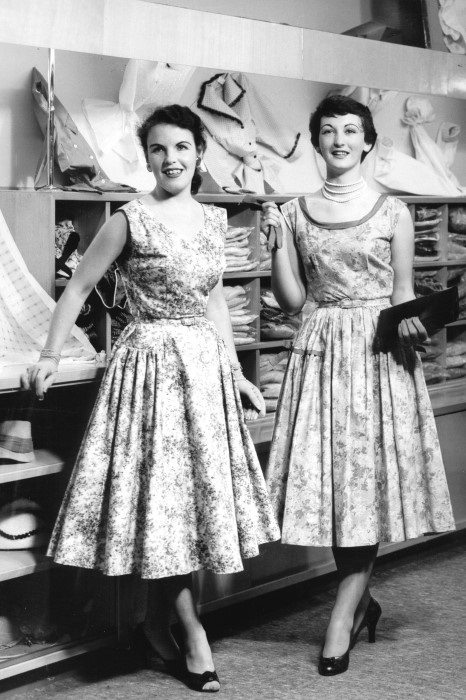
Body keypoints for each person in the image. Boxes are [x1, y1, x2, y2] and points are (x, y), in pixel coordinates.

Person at [23, 104, 280, 693]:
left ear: (199, 155)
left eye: (182, 148)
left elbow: (214, 301)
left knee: (187, 508)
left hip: (205, 374)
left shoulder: (215, 223)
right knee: (162, 507)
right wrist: (50, 355)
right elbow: (79, 286)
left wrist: (237, 374)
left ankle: (156, 627)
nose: (171, 160)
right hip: (150, 372)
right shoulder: (129, 219)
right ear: (148, 157)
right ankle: (192, 635)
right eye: (160, 149)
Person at [261, 95, 455, 676]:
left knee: (366, 486)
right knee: (334, 489)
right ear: (316, 141)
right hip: (320, 349)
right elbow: (294, 301)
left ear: (368, 141)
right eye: (328, 131)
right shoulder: (294, 212)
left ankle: (342, 618)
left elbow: (400, 294)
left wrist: (415, 325)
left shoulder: (393, 212)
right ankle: (360, 598)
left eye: (351, 131)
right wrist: (275, 242)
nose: (340, 140)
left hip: (377, 352)